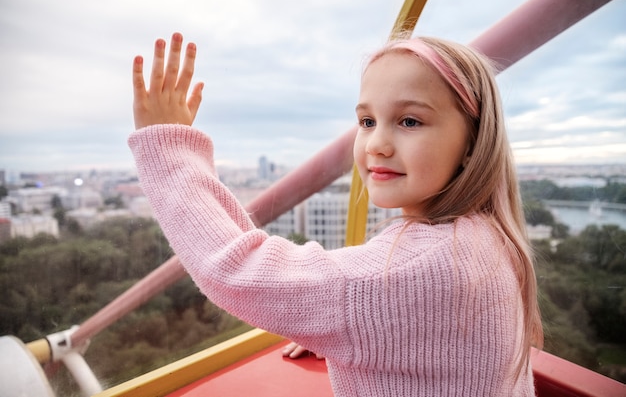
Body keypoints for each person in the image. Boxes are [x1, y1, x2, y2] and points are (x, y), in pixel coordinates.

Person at [129, 32, 543, 396]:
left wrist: (167, 147)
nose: (376, 143)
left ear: (472, 141)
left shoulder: (420, 269)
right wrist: (353, 325)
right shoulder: (485, 237)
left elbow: (236, 270)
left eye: (410, 120)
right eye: (367, 120)